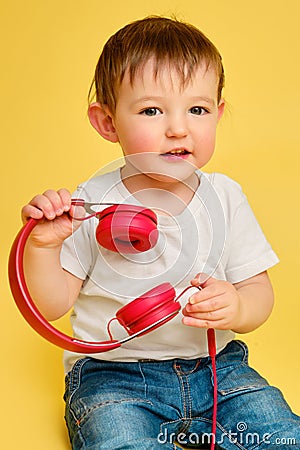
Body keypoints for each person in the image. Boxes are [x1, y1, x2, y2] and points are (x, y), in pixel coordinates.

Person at [21, 16, 300, 450]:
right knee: (120, 442)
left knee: (285, 435)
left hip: (217, 368)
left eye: (198, 109)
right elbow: (51, 306)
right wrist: (43, 245)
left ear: (218, 114)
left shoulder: (225, 196)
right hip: (113, 376)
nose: (178, 128)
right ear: (108, 122)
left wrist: (239, 305)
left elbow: (259, 295)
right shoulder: (90, 202)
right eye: (152, 110)